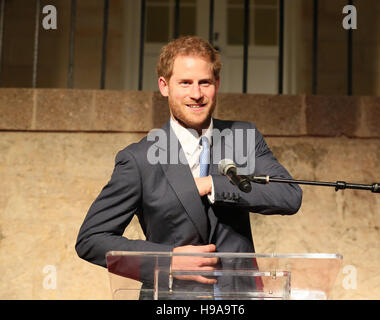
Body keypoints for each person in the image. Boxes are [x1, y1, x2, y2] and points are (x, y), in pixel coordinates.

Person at [75, 36, 302, 297]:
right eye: (185, 83)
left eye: (204, 82)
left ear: (217, 84)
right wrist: (167, 260)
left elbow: (289, 195)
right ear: (164, 86)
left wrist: (213, 184)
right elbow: (91, 239)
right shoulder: (139, 159)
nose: (196, 94)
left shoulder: (242, 137)